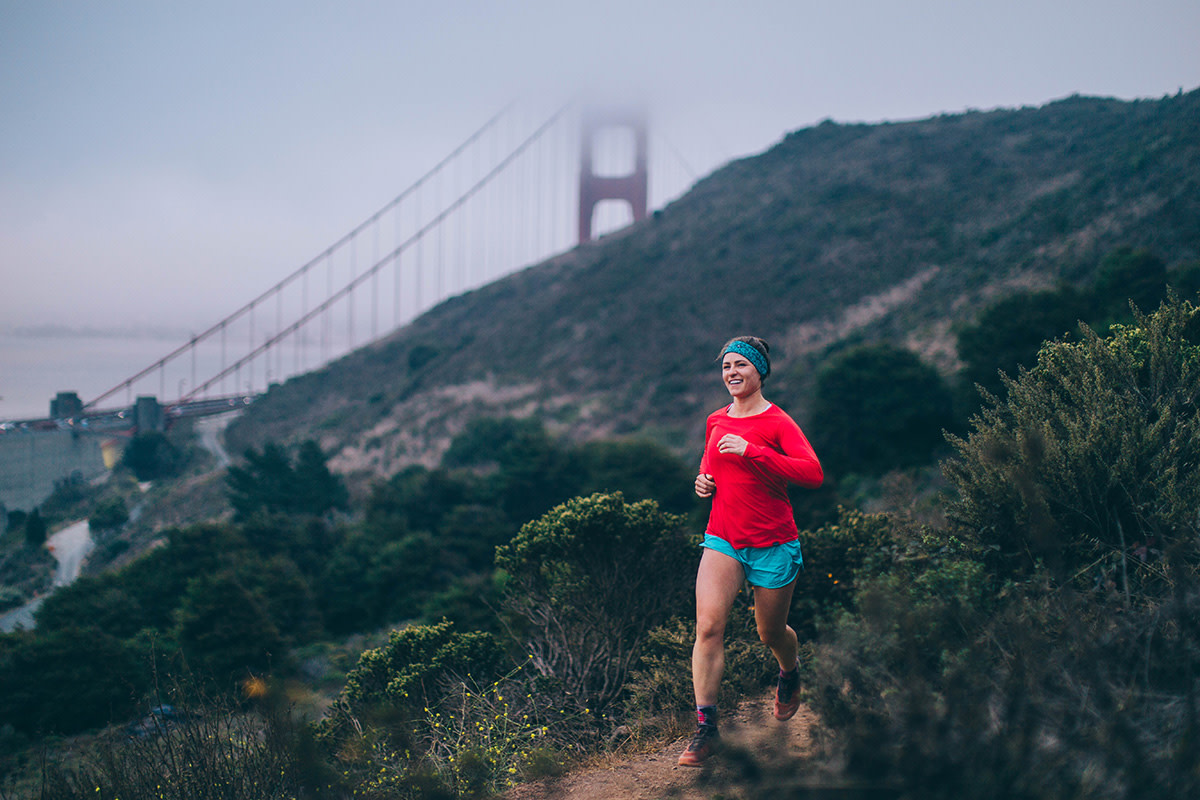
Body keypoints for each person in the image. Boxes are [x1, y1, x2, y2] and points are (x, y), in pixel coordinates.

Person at [678, 335, 824, 767]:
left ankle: (790, 671)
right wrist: (703, 482)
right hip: (723, 538)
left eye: (741, 365)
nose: (732, 373)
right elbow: (710, 466)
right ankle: (707, 728)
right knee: (708, 628)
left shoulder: (777, 422)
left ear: (759, 371)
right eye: (726, 366)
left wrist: (754, 451)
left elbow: (812, 474)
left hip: (773, 542)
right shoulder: (715, 420)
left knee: (770, 634)